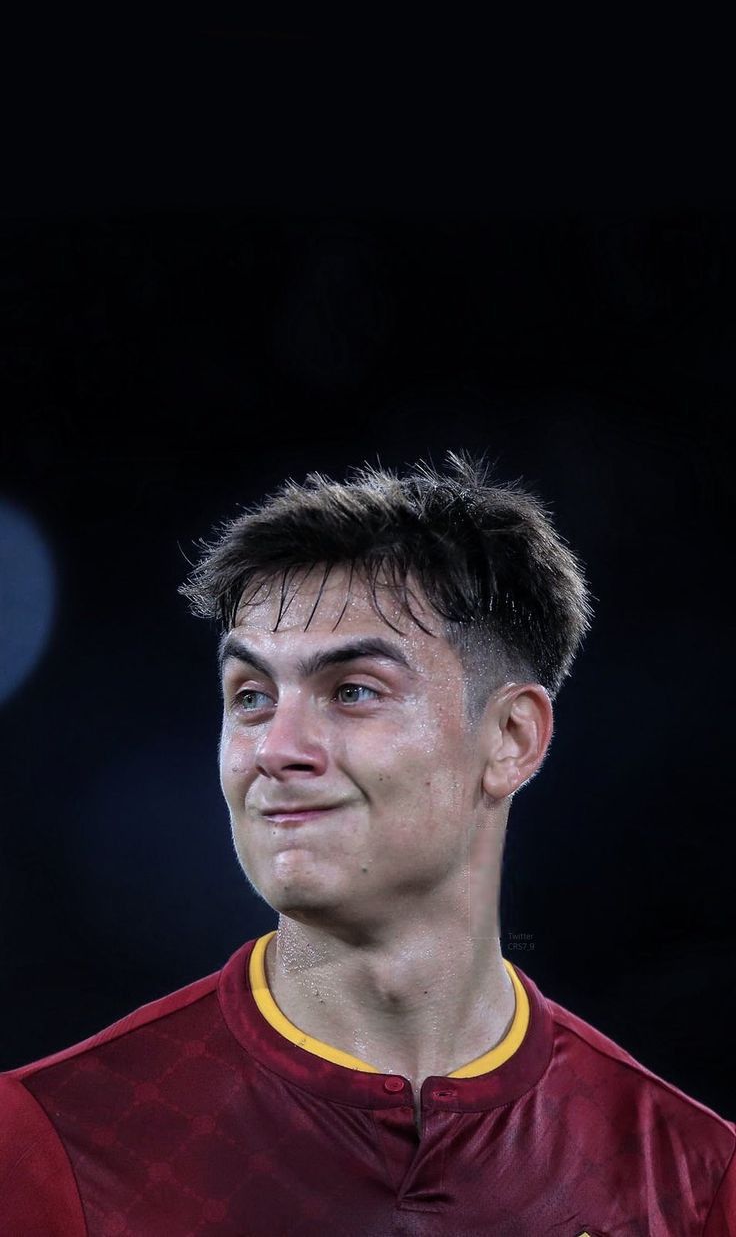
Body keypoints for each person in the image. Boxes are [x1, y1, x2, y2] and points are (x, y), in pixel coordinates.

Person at [1, 452, 733, 1235]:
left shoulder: (690, 1175)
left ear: (513, 737)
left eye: (353, 691)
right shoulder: (51, 1138)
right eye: (250, 697)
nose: (276, 749)